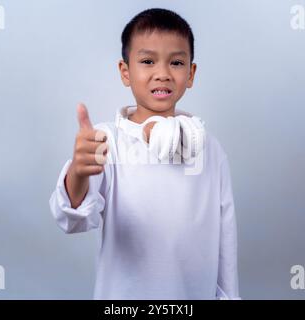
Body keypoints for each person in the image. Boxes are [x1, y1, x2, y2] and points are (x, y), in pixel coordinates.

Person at [49, 8, 240, 300]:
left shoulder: (211, 150)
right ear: (125, 72)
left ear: (191, 74)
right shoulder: (106, 140)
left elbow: (226, 245)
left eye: (176, 62)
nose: (162, 74)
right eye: (148, 61)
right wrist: (78, 171)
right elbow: (73, 219)